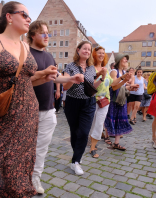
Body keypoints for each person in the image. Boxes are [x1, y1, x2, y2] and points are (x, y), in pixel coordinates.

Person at [0, 2, 58, 197]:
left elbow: (24, 79)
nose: (28, 19)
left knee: (21, 157)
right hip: (3, 109)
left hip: (28, 109)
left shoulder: (25, 45)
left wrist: (43, 75)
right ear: (9, 17)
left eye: (28, 16)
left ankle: (19, 192)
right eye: (24, 15)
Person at [27, 20, 84, 194]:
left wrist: (70, 79)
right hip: (27, 109)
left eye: (48, 33)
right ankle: (20, 176)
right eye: (42, 33)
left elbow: (55, 78)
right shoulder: (25, 53)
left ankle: (35, 178)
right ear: (32, 35)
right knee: (24, 146)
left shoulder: (49, 56)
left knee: (42, 148)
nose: (46, 36)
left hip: (48, 109)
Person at [63, 41, 107, 175]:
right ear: (78, 50)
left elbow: (92, 86)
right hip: (72, 103)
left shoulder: (92, 68)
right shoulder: (70, 66)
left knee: (83, 132)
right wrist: (73, 79)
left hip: (88, 103)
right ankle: (77, 156)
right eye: (84, 49)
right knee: (75, 132)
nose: (87, 51)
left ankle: (76, 161)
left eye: (89, 50)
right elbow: (65, 86)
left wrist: (102, 78)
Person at [89, 47, 130, 158]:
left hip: (105, 101)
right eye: (99, 53)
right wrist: (100, 76)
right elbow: (90, 84)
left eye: (103, 53)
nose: (101, 55)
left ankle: (93, 146)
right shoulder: (91, 68)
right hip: (93, 100)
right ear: (94, 54)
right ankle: (90, 141)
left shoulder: (105, 68)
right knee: (92, 123)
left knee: (99, 124)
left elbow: (112, 83)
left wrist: (123, 78)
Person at [104, 54, 138, 151]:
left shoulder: (123, 72)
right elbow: (114, 86)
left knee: (120, 120)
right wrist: (124, 80)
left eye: (127, 60)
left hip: (121, 99)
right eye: (124, 59)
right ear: (119, 61)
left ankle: (116, 143)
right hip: (114, 99)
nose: (126, 61)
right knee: (110, 118)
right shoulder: (114, 72)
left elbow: (122, 88)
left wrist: (131, 87)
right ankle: (106, 136)